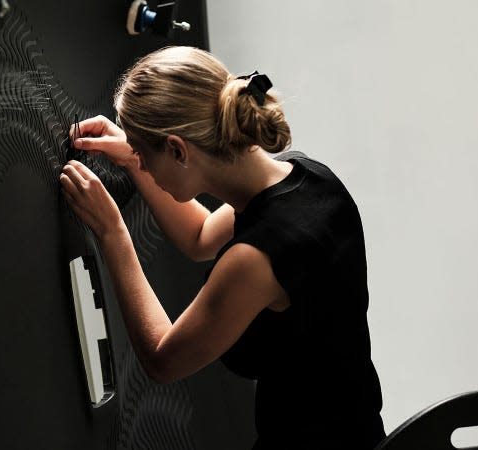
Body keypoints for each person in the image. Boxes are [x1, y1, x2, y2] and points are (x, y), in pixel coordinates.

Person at [59, 46, 386, 449]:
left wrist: (113, 232)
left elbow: (163, 358)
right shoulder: (310, 180)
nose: (142, 165)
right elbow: (199, 237)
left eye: (146, 156)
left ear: (178, 150)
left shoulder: (256, 259)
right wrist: (131, 157)